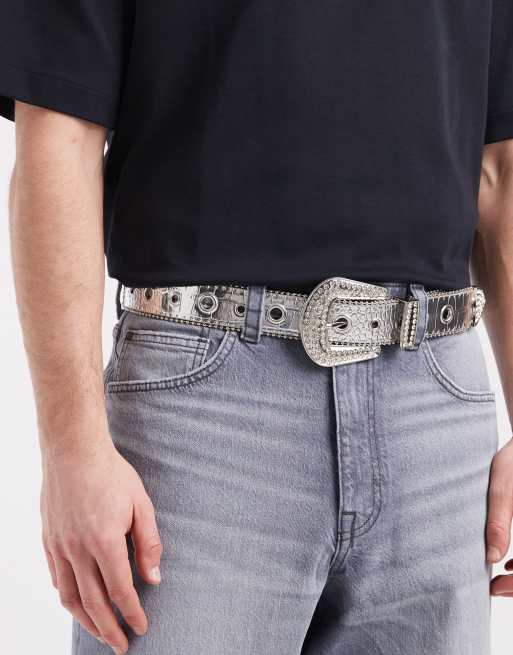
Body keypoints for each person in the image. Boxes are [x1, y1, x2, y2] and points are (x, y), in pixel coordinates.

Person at [1, 1, 513, 654]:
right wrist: (71, 447)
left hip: (437, 420)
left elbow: (498, 169)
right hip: (204, 423)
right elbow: (59, 132)